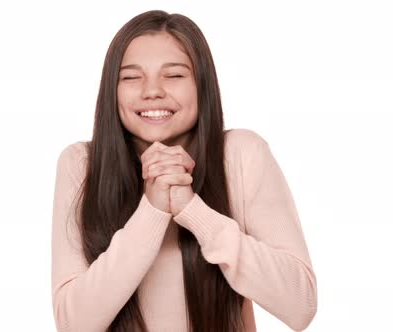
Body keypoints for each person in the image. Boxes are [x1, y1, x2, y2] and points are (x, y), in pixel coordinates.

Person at [51, 9, 317, 332]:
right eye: (132, 77)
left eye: (174, 75)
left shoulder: (242, 155)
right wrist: (151, 210)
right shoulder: (81, 163)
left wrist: (193, 210)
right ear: (112, 90)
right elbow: (73, 323)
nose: (152, 91)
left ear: (201, 84)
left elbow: (299, 304)